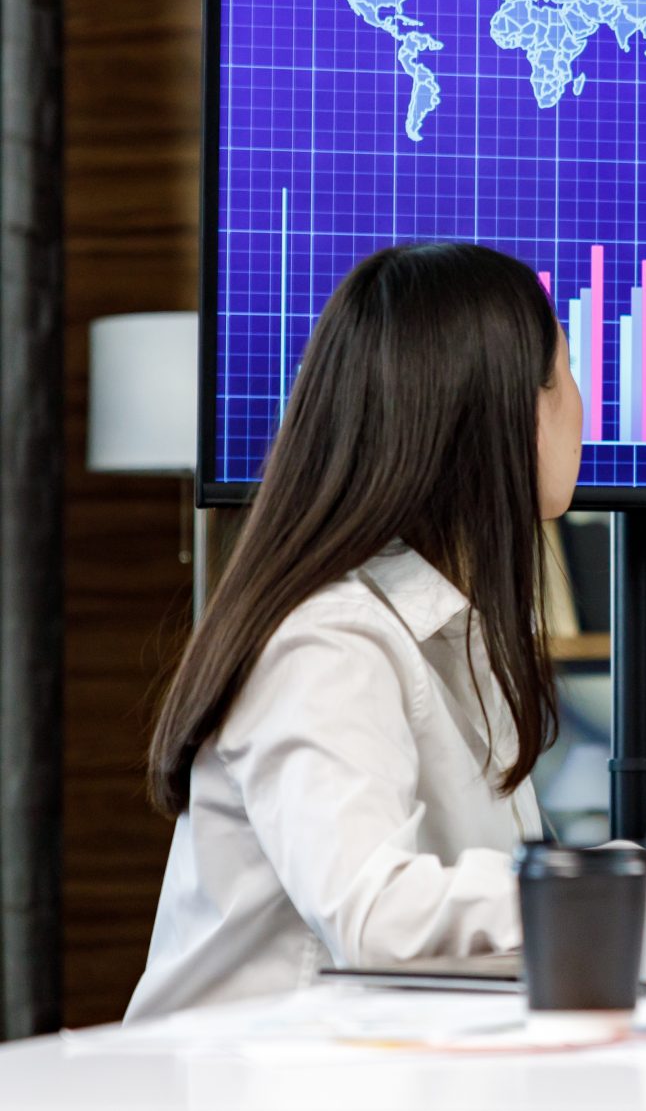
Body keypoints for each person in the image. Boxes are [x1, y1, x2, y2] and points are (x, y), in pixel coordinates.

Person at [128, 243, 580, 1019]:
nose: (580, 402)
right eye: (563, 373)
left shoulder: (457, 631)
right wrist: (606, 892)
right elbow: (375, 916)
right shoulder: (328, 642)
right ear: (501, 411)